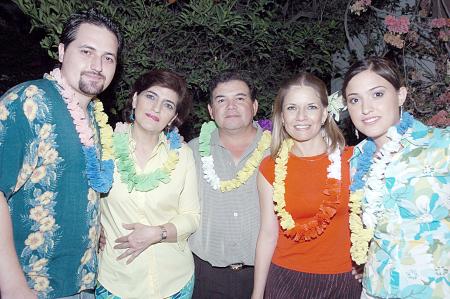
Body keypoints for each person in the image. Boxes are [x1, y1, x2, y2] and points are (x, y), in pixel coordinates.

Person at [0, 8, 122, 299]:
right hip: (33, 287)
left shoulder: (94, 116)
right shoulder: (28, 102)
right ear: (62, 51)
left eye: (108, 57)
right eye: (87, 51)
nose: (98, 65)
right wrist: (13, 285)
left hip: (82, 285)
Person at [342, 57, 449, 299]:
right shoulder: (356, 162)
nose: (365, 108)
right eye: (355, 100)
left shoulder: (441, 146)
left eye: (377, 94)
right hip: (376, 292)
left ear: (400, 96)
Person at [252, 72, 362, 298]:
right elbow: (268, 234)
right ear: (282, 116)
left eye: (311, 107)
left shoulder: (354, 160)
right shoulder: (270, 167)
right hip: (285, 280)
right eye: (292, 108)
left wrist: (367, 260)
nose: (301, 116)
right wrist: (257, 293)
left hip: (341, 280)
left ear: (324, 114)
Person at [96, 70, 200, 299]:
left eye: (168, 105)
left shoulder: (182, 155)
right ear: (135, 99)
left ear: (173, 118)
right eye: (151, 97)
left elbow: (192, 216)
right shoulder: (103, 148)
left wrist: (157, 233)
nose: (156, 109)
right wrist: (95, 228)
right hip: (116, 282)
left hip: (174, 282)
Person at [188, 71, 271, 298]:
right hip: (205, 277)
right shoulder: (191, 151)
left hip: (267, 275)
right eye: (221, 100)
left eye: (240, 98)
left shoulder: (278, 150)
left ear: (254, 106)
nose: (231, 106)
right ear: (210, 110)